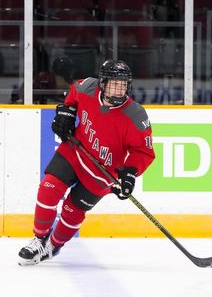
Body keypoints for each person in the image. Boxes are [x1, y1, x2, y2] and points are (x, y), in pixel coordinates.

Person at [18, 59, 155, 266]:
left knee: (73, 211)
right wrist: (67, 111)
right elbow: (73, 94)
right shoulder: (87, 87)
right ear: (102, 82)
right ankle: (38, 239)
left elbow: (143, 151)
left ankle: (53, 246)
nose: (119, 90)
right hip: (75, 151)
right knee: (48, 188)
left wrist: (130, 172)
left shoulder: (135, 114)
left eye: (123, 84)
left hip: (103, 172)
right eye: (114, 84)